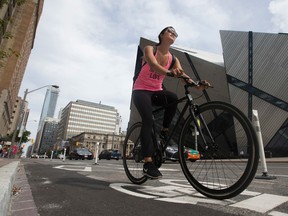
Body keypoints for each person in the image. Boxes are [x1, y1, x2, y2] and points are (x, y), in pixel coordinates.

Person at [132, 26, 209, 179]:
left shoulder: (173, 59)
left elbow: (181, 74)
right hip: (141, 91)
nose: (173, 33)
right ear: (161, 35)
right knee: (148, 120)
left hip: (156, 91)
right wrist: (169, 72)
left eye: (175, 33)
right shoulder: (150, 49)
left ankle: (164, 131)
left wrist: (196, 84)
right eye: (170, 31)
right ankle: (148, 163)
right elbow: (153, 65)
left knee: (173, 98)